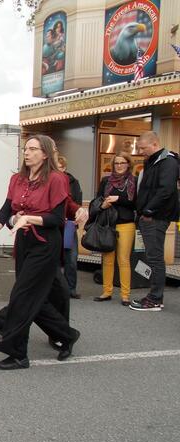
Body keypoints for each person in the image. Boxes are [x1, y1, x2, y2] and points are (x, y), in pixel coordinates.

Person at [0, 135, 80, 370]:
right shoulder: (17, 179)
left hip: (46, 244)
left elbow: (57, 218)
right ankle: (66, 334)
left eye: (33, 149)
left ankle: (18, 354)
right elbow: (6, 211)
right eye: (26, 149)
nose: (27, 152)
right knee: (33, 298)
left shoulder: (57, 179)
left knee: (21, 296)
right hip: (24, 243)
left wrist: (28, 218)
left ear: (45, 154)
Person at [129, 131, 179, 311]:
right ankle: (155, 297)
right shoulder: (152, 161)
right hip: (150, 216)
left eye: (143, 148)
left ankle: (155, 299)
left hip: (155, 217)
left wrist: (148, 211)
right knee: (154, 257)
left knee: (155, 258)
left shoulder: (168, 162)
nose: (141, 151)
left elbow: (166, 190)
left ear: (155, 144)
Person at [93, 152, 137, 306]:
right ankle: (107, 292)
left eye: (122, 163)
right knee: (107, 259)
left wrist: (119, 199)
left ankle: (125, 295)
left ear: (128, 164)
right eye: (116, 163)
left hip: (126, 224)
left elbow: (136, 203)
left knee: (123, 260)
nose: (119, 166)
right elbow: (98, 200)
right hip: (108, 224)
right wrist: (103, 205)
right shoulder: (106, 181)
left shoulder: (134, 181)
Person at [56, 154, 83, 299]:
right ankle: (57, 289)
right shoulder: (50, 181)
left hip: (69, 225)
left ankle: (71, 288)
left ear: (64, 168)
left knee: (71, 258)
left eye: (60, 167)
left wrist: (74, 215)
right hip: (54, 224)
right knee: (54, 258)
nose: (58, 170)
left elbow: (76, 202)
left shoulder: (73, 182)